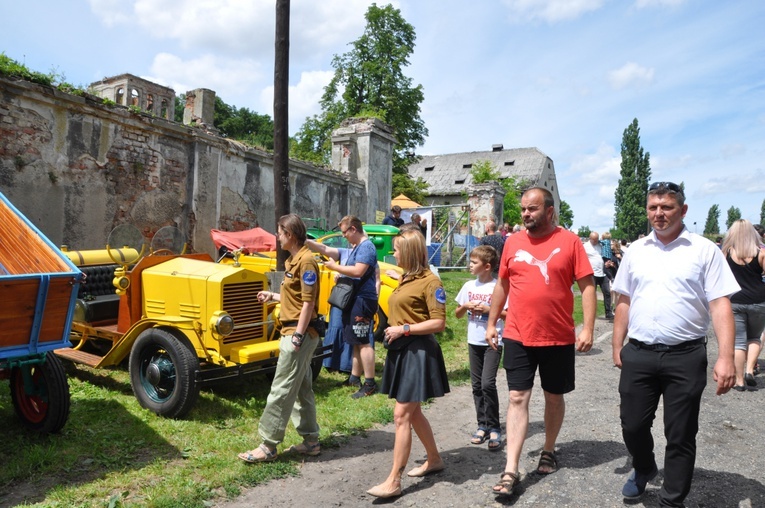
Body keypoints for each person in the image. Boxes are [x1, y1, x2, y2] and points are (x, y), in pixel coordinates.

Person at [612, 181, 738, 506]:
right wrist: (617, 343)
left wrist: (726, 357)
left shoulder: (703, 250)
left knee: (680, 433)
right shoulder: (636, 250)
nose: (659, 213)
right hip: (639, 352)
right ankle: (643, 467)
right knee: (632, 424)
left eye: (666, 207)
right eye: (653, 207)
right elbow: (624, 298)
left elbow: (720, 304)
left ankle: (671, 500)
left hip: (686, 355)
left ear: (682, 210)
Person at [486, 187, 596, 496]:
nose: (525, 214)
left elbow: (587, 286)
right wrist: (492, 322)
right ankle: (511, 468)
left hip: (558, 336)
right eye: (523, 209)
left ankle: (548, 448)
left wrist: (586, 328)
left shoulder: (570, 241)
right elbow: (503, 283)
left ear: (549, 211)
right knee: (517, 397)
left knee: (553, 397)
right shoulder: (513, 243)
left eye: (532, 209)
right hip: (518, 334)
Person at [367, 230, 449, 499]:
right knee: (412, 413)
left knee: (401, 414)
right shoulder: (408, 278)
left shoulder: (431, 283)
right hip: (402, 350)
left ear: (411, 252)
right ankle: (434, 459)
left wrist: (404, 328)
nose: (394, 254)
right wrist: (399, 279)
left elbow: (439, 323)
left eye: (398, 250)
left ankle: (394, 480)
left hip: (418, 352)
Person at [238, 214, 322, 462]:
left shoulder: (306, 262)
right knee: (301, 389)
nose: (277, 236)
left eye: (280, 232)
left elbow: (308, 304)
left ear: (291, 234)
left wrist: (297, 336)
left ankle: (268, 445)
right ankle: (311, 441)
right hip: (297, 331)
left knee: (281, 389)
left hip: (298, 333)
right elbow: (296, 299)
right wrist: (273, 296)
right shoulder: (295, 260)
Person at [307, 216, 378, 398]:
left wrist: (335, 268)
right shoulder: (355, 248)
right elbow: (325, 248)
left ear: (354, 229)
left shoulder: (366, 247)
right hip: (355, 299)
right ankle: (354, 378)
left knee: (363, 342)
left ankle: (369, 383)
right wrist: (305, 240)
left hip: (362, 300)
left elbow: (358, 271)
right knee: (356, 340)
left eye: (345, 232)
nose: (344, 236)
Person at [455, 245, 507, 451]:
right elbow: (457, 314)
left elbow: (509, 314)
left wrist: (489, 310)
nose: (470, 265)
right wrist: (465, 306)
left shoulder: (499, 287)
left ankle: (495, 427)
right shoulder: (469, 286)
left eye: (474, 262)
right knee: (476, 385)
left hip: (494, 341)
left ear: (487, 266)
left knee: (487, 383)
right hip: (473, 341)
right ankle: (482, 425)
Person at [721, 219, 765, 391]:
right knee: (754, 337)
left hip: (735, 300)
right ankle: (749, 371)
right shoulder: (760, 253)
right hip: (759, 300)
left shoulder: (727, 252)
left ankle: (739, 381)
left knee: (738, 342)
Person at [584, 231, 614, 320]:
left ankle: (608, 313)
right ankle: (590, 314)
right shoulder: (585, 246)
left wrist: (608, 263)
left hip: (602, 272)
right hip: (592, 273)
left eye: (597, 239)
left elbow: (605, 256)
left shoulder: (601, 245)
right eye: (594, 239)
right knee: (591, 294)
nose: (596, 241)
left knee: (607, 292)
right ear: (590, 238)